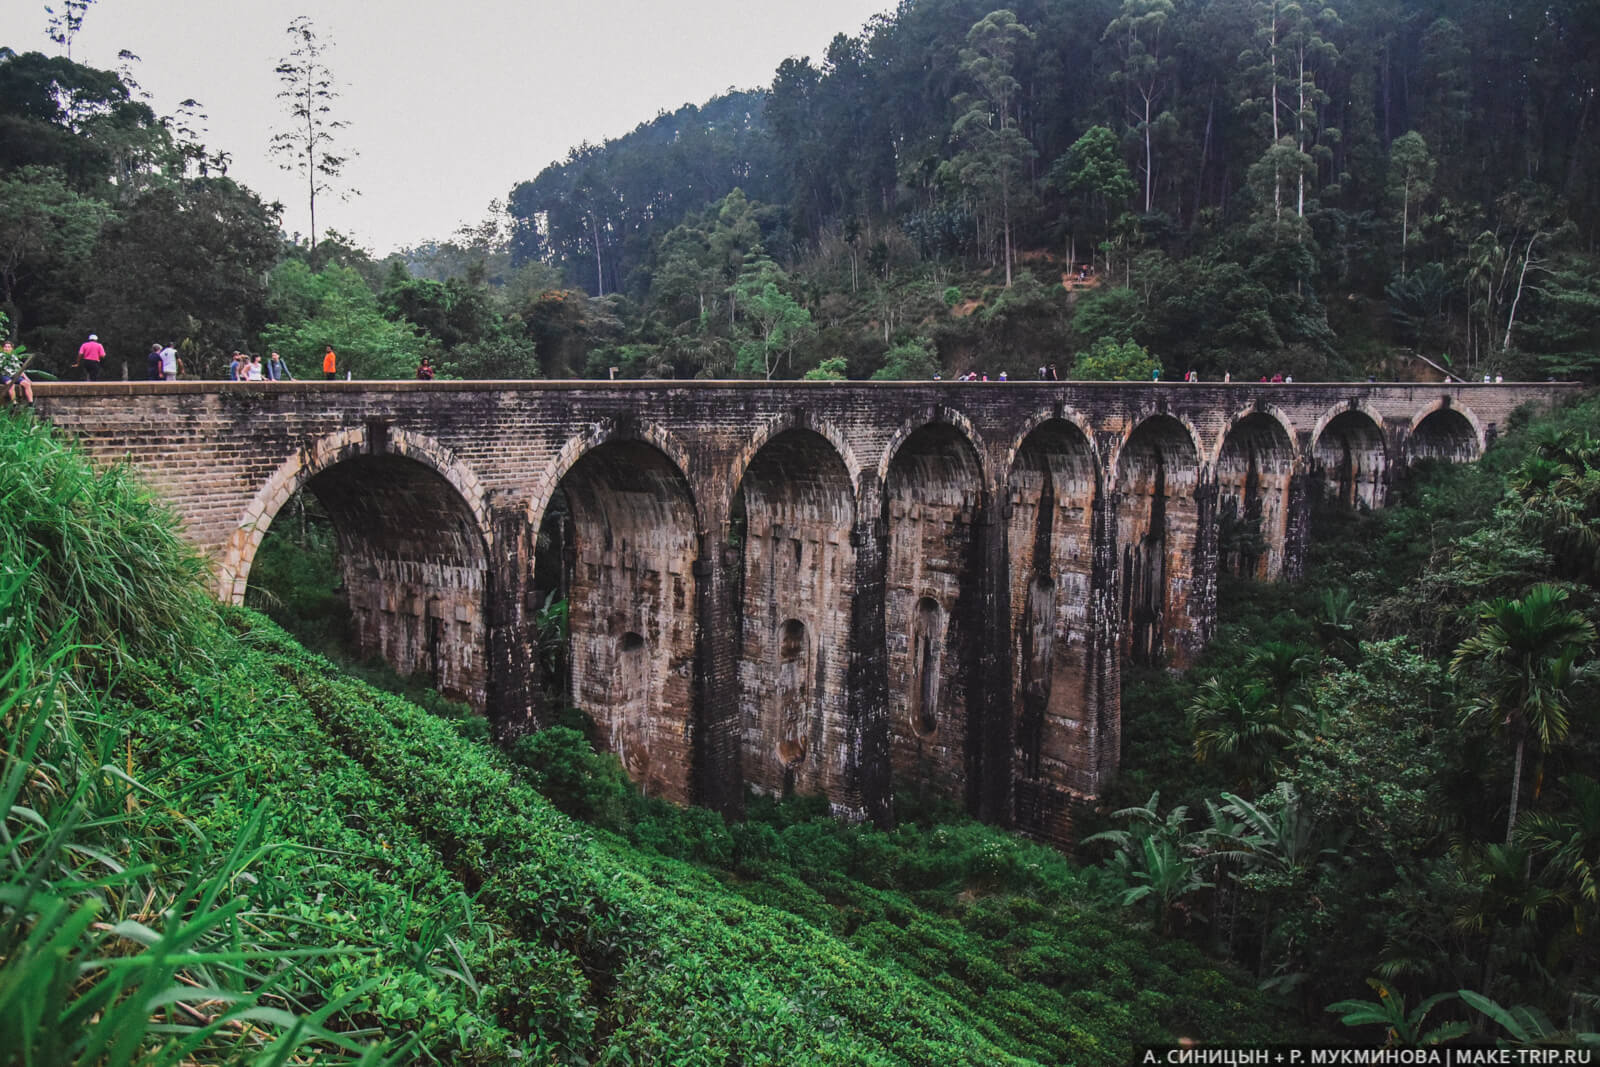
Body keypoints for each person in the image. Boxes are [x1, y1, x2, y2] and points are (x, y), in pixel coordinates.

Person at [2, 341, 33, 405]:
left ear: (11, 349)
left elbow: (19, 369)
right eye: (5, 347)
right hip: (4, 375)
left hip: (14, 375)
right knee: (11, 384)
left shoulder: (14, 357)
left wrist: (26, 378)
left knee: (27, 384)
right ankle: (14, 403)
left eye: (9, 347)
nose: (7, 348)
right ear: (3, 348)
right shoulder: (1, 356)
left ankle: (30, 403)